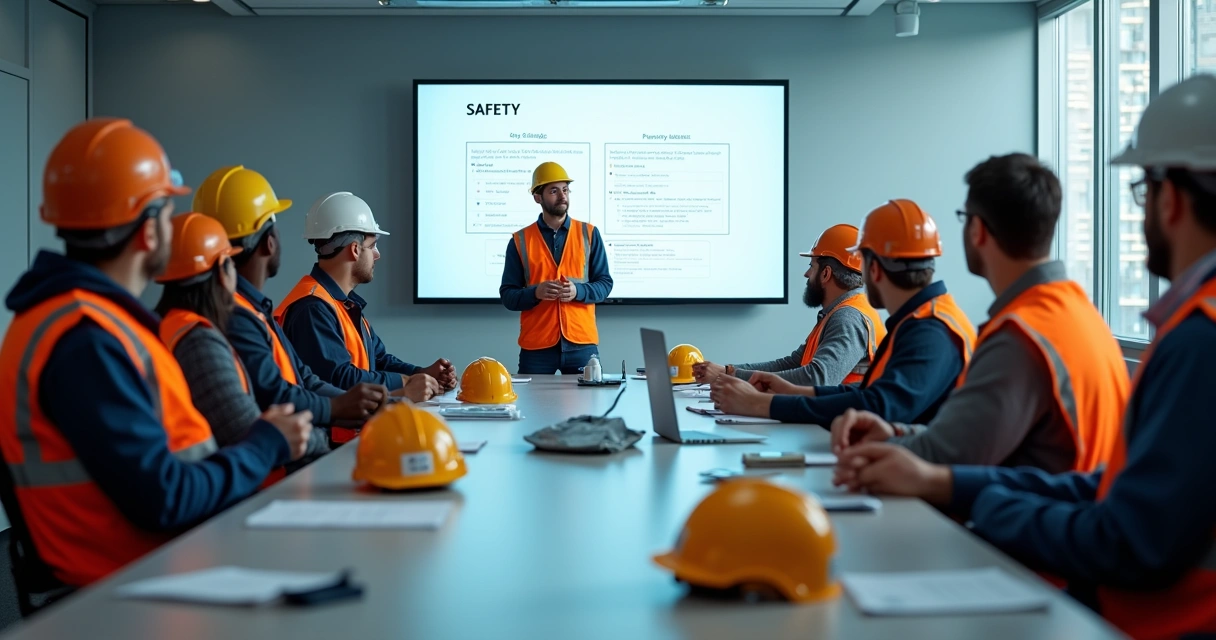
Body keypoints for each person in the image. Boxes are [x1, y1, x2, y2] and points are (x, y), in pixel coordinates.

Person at [833, 74, 1216, 640]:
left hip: (1129, 617)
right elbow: (1113, 486)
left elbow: (1131, 539)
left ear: (1173, 198)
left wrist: (979, 499)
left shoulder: (1193, 341)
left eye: (1142, 191)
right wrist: (952, 481)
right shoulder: (1081, 312)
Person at [0, 119, 311, 609]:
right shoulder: (87, 339)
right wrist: (265, 443)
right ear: (148, 230)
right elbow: (164, 497)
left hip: (157, 572)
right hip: (128, 597)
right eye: (168, 210)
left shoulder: (81, 321)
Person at [827, 154, 1128, 473]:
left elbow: (946, 456)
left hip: (1016, 519)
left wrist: (878, 448)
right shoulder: (1081, 314)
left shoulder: (1019, 337)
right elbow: (981, 440)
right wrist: (899, 433)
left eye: (964, 217)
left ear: (978, 231)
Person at [709, 201, 975, 426]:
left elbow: (880, 405)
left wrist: (763, 405)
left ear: (875, 270)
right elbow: (870, 393)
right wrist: (800, 393)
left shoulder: (930, 329)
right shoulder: (922, 318)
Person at [192, 166, 394, 447]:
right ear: (269, 243)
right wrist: (341, 408)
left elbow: (305, 379)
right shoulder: (239, 316)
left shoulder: (254, 311)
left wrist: (363, 402)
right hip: (279, 473)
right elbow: (275, 394)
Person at [155, 212, 329, 468]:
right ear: (223, 271)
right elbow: (249, 431)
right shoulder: (198, 342)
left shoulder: (170, 327)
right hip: (246, 494)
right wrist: (319, 439)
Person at [276, 192, 452, 396]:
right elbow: (339, 377)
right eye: (373, 245)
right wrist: (406, 383)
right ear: (354, 250)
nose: (377, 255)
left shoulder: (343, 304)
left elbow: (378, 361)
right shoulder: (312, 308)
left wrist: (421, 374)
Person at [694, 224, 885, 386]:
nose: (806, 274)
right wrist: (730, 372)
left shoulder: (848, 317)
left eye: (812, 266)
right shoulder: (838, 312)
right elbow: (794, 363)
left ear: (826, 274)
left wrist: (729, 376)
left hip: (844, 426)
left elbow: (817, 378)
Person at [499, 162, 614, 375]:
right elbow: (508, 296)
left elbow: (605, 284)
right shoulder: (520, 240)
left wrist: (578, 291)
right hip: (537, 347)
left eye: (565, 189)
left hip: (582, 343)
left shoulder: (589, 233)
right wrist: (536, 292)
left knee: (587, 407)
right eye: (554, 191)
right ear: (537, 197)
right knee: (534, 408)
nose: (562, 196)